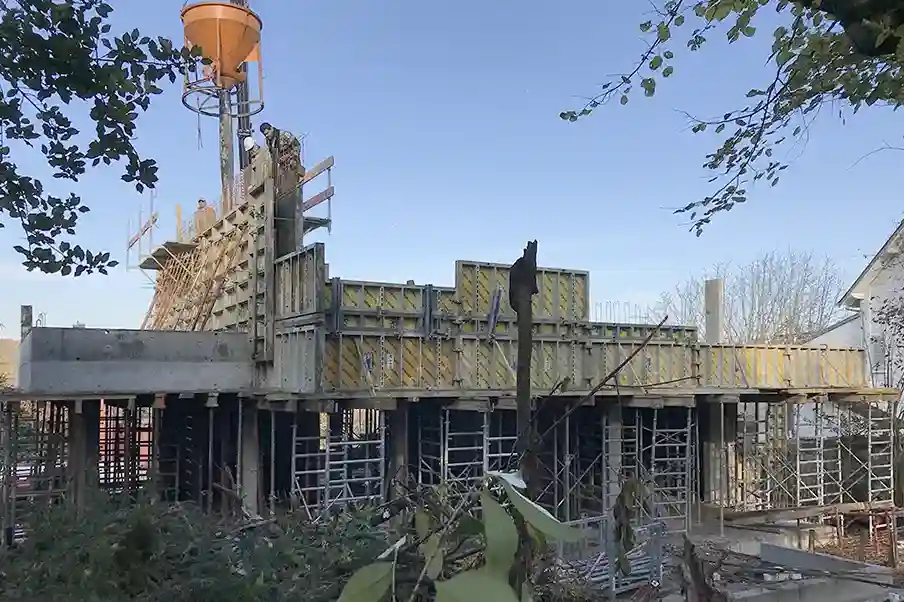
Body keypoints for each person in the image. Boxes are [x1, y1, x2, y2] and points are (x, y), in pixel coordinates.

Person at [260, 122, 305, 189]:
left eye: (267, 133)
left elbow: (297, 145)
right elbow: (272, 154)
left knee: (294, 184)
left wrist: (290, 156)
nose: (266, 136)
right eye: (264, 135)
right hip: (282, 165)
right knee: (283, 186)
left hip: (292, 161)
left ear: (271, 129)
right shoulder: (268, 141)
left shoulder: (284, 134)